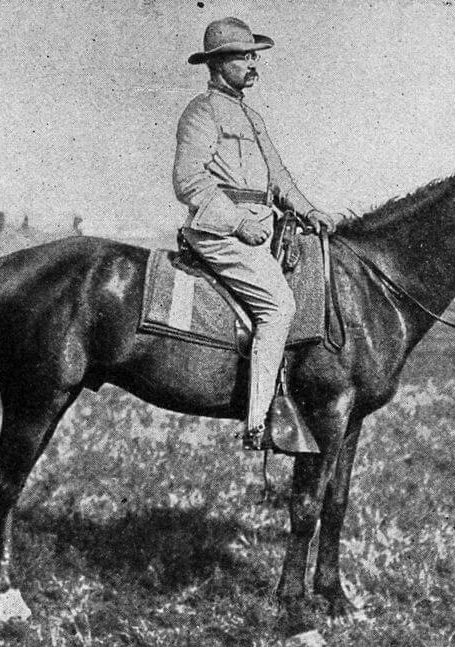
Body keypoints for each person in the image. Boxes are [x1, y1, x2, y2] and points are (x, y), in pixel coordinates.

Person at [173, 17, 339, 449]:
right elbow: (189, 180)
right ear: (217, 64)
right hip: (220, 232)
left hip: (258, 232)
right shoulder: (201, 112)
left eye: (253, 56)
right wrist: (236, 222)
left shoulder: (251, 116)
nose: (251, 64)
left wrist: (309, 210)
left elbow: (278, 178)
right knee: (280, 307)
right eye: (242, 56)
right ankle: (259, 424)